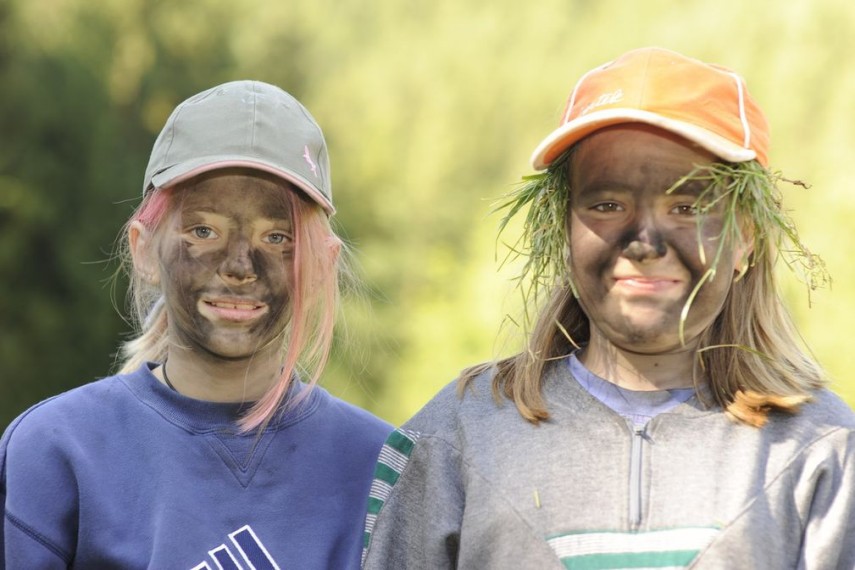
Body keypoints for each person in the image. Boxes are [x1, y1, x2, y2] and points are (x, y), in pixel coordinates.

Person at [361, 47, 855, 569]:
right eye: (607, 205)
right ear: (562, 229)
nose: (644, 244)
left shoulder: (822, 449)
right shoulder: (456, 436)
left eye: (687, 207)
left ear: (746, 236)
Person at [1, 80, 392, 569]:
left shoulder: (381, 467)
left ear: (320, 265)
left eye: (276, 237)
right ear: (145, 249)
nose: (240, 266)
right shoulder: (55, 451)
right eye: (203, 230)